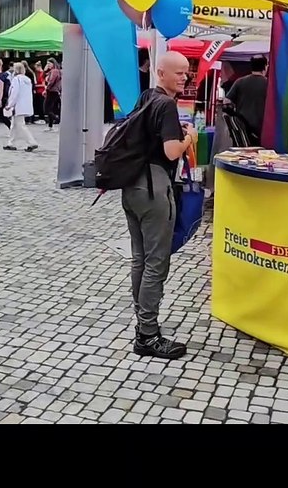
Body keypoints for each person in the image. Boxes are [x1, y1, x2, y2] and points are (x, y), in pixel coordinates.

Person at [121, 50, 197, 360]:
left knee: (140, 258)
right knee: (155, 262)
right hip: (154, 189)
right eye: (178, 72)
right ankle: (149, 336)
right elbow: (170, 152)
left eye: (186, 72)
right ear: (160, 73)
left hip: (132, 186)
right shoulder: (165, 105)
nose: (184, 77)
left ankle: (143, 325)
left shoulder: (146, 98)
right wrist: (189, 138)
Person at [226, 55, 269, 143]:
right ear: (265, 67)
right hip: (263, 129)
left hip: (242, 128)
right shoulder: (269, 84)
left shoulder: (240, 81)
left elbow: (227, 101)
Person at [4, 61, 39, 152]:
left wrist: (10, 104)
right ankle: (11, 142)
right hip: (25, 105)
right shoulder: (27, 80)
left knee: (20, 125)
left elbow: (14, 93)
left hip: (18, 106)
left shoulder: (16, 80)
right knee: (14, 124)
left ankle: (32, 142)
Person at [43, 59, 62, 131]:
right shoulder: (54, 71)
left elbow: (51, 81)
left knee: (47, 109)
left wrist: (47, 88)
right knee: (50, 109)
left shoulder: (54, 71)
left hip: (52, 91)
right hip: (54, 91)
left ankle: (57, 119)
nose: (48, 65)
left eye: (49, 63)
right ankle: (50, 125)